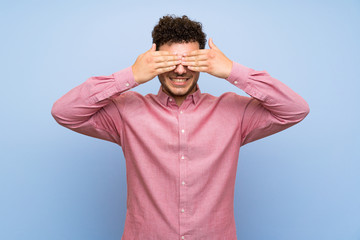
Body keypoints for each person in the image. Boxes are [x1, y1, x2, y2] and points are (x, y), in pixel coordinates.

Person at [51, 15, 309, 240]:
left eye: (190, 61)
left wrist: (232, 70)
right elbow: (64, 112)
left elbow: (295, 109)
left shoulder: (234, 112)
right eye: (170, 61)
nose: (181, 70)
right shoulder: (126, 112)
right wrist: (130, 75)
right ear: (154, 61)